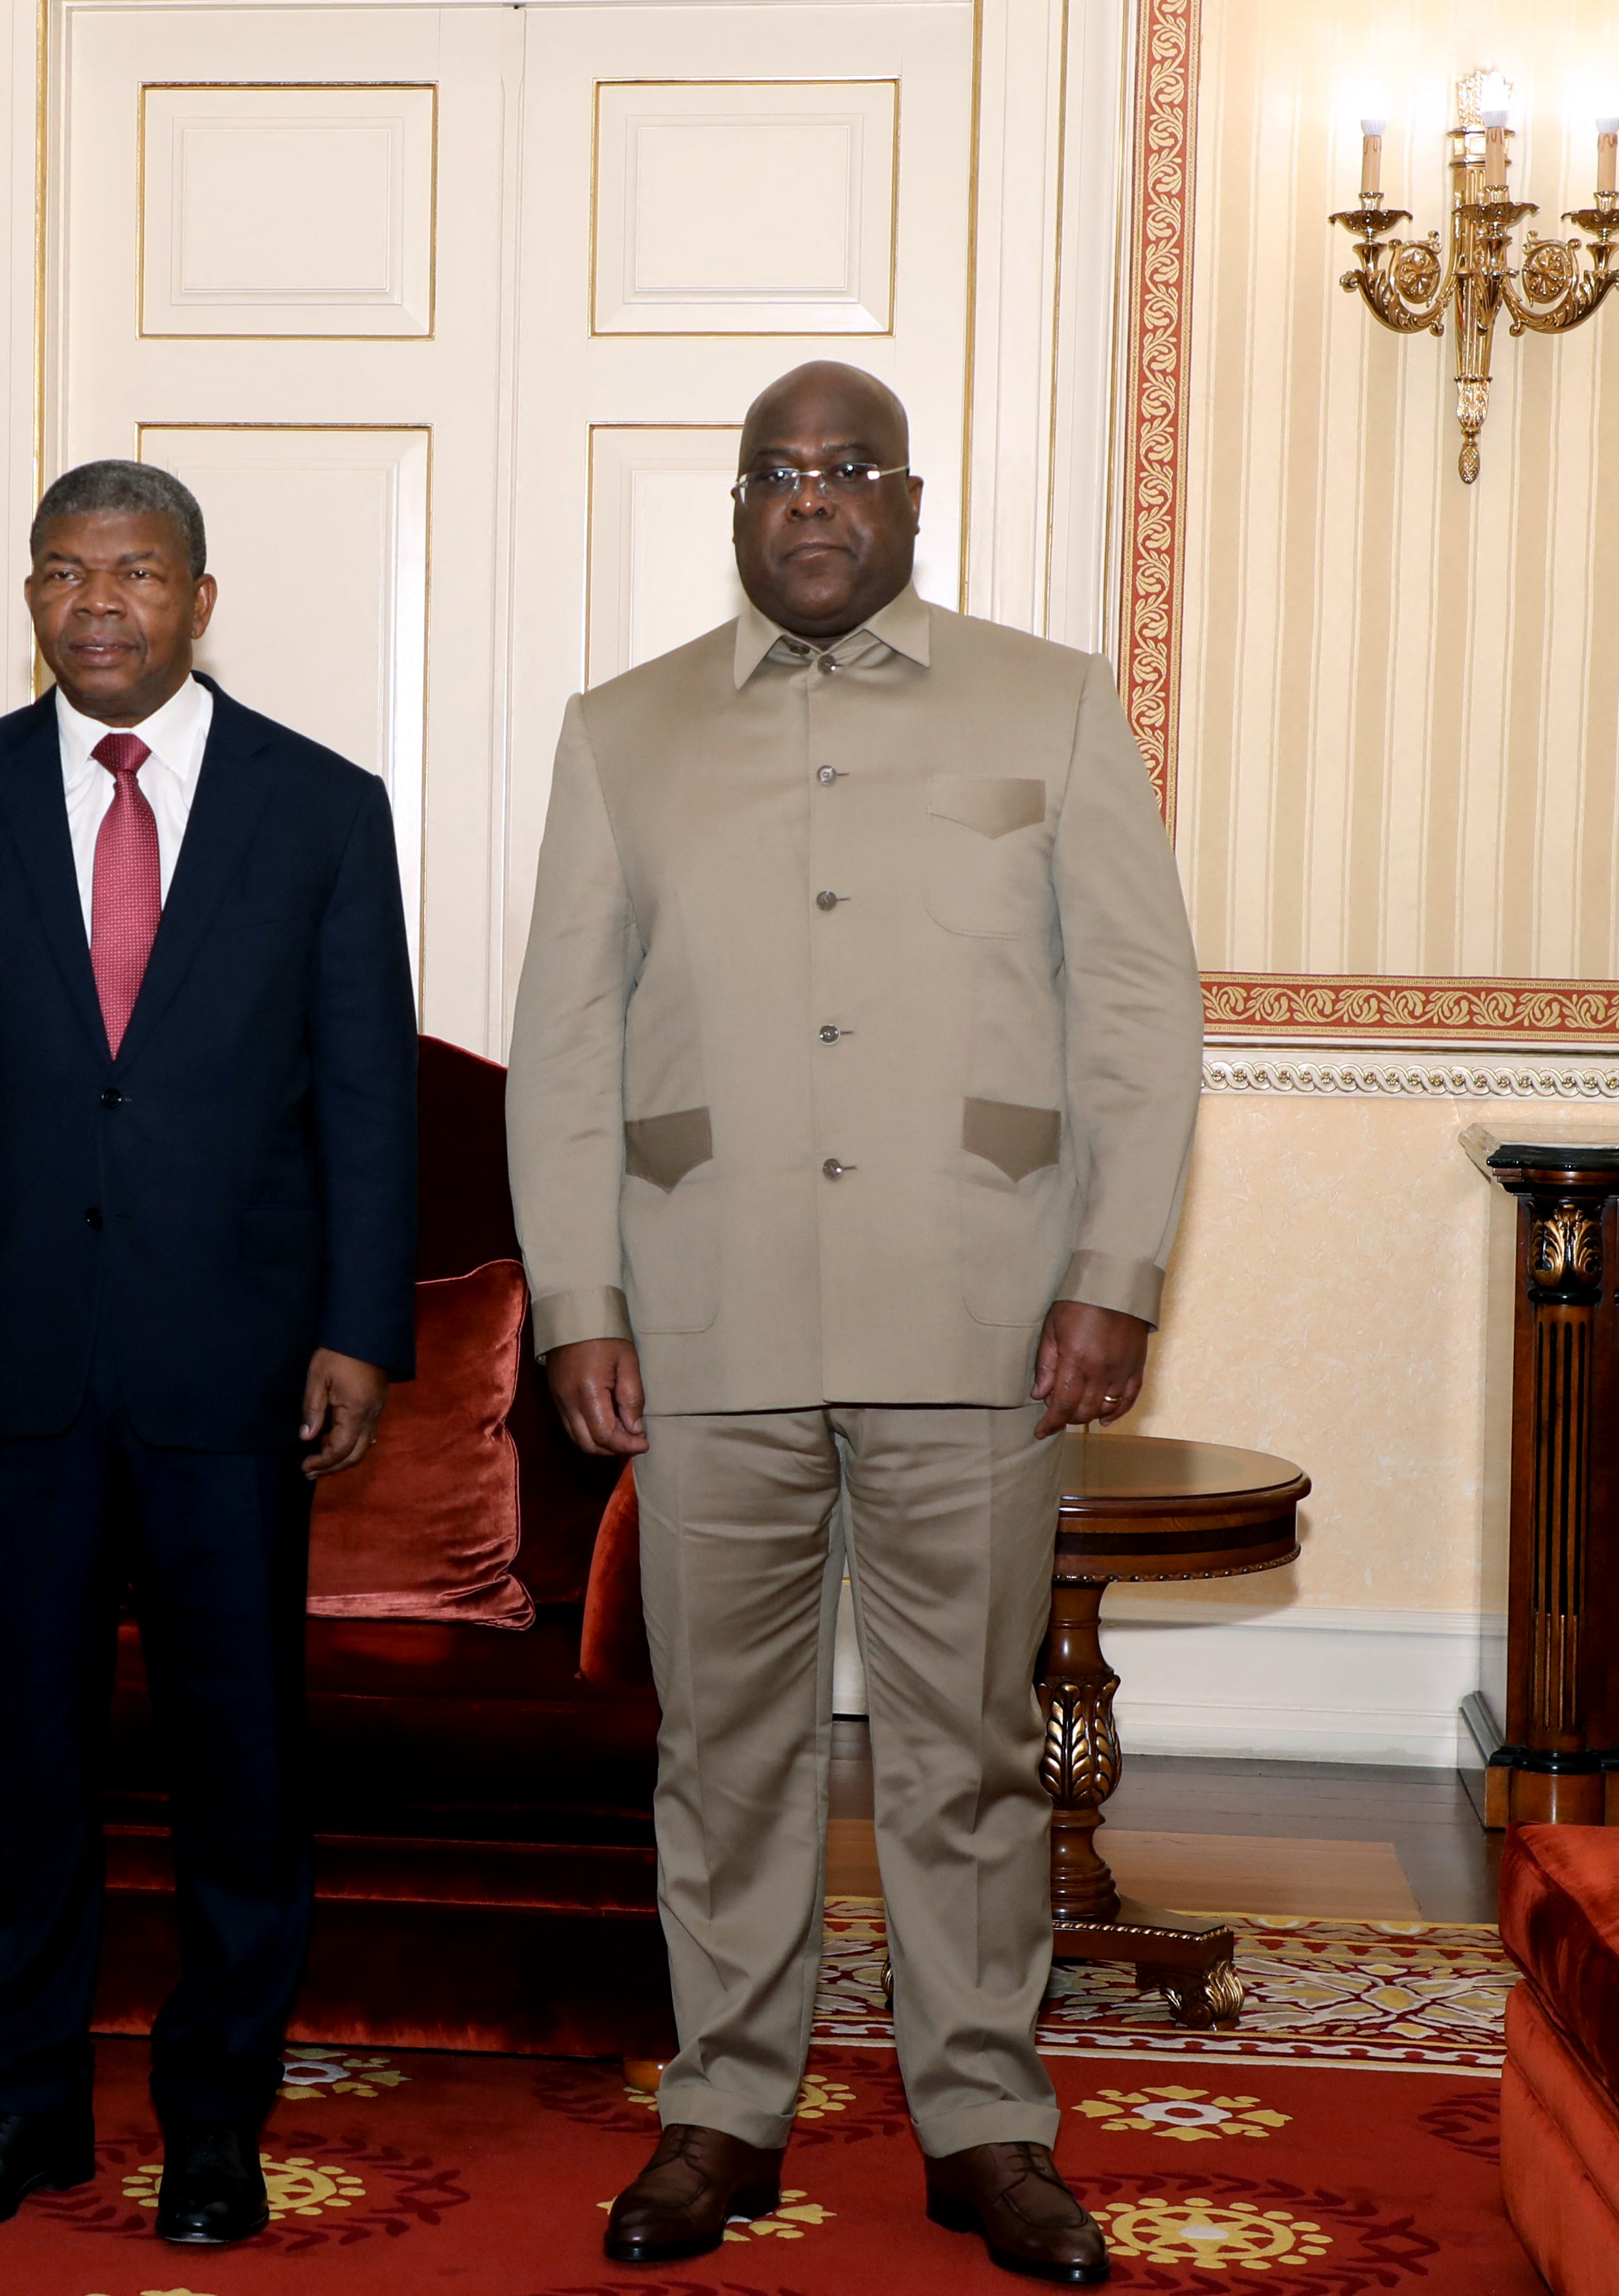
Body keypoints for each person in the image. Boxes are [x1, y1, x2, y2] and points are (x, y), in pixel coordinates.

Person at [507, 361, 1201, 2286]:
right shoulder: (623, 731)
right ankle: (722, 2107)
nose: (808, 500)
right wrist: (579, 1299)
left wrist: (1110, 1272)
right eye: (773, 474)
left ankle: (983, 2122)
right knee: (721, 1748)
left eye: (845, 470)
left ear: (907, 501)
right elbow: (563, 1044)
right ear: (737, 509)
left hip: (979, 1321)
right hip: (701, 1324)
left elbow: (1137, 1013)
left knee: (962, 1750)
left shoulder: (1049, 703)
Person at [0, 459, 417, 2248]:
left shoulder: (322, 808)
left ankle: (216, 2121)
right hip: (2, 1363)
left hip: (233, 1371)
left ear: (199, 599)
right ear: (31, 596)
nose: (101, 602)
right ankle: (21, 2112)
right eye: (67, 571)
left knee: (242, 1762)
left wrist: (358, 1329)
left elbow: (365, 1097)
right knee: (23, 1761)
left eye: (138, 573)